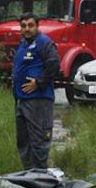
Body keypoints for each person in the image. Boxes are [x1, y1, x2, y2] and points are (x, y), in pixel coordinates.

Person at [12, 12, 60, 170]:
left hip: (39, 100)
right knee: (23, 143)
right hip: (22, 100)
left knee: (38, 142)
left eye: (30, 25)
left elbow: (54, 64)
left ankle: (40, 179)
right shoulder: (23, 44)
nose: (27, 29)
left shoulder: (44, 43)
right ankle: (29, 176)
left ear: (37, 26)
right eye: (23, 26)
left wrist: (39, 82)